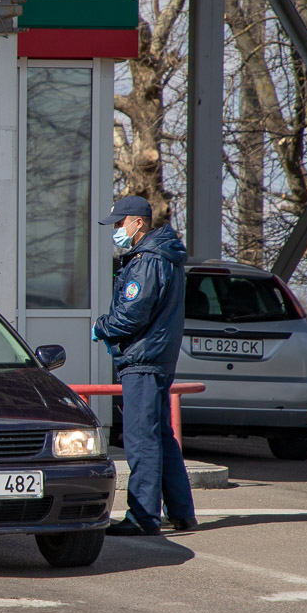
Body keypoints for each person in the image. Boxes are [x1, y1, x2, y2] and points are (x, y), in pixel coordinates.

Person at [92, 194, 196, 536]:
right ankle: (181, 511)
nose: (117, 232)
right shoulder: (164, 256)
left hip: (143, 359)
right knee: (161, 436)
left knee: (141, 439)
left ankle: (143, 516)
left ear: (138, 223)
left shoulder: (147, 260)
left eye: (120, 224)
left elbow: (132, 313)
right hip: (158, 357)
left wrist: (101, 327)